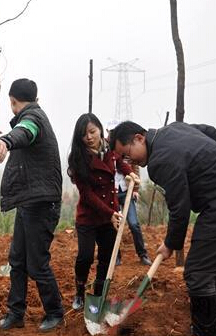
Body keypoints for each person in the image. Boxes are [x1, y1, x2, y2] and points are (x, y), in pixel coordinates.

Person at [108, 121, 216, 336]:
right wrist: (209, 170)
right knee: (209, 267)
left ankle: (206, 331)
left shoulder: (160, 161)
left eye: (128, 154)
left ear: (139, 138)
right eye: (125, 159)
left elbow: (179, 209)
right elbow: (210, 130)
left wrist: (170, 244)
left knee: (197, 272)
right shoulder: (173, 129)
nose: (131, 160)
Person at [0, 78, 64, 332]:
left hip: (42, 204)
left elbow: (26, 131)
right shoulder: (33, 115)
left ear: (13, 101)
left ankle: (55, 312)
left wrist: (6, 141)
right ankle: (16, 313)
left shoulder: (33, 118)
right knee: (17, 260)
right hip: (30, 202)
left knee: (36, 263)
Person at [67, 113, 137, 310]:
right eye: (84, 134)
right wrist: (110, 213)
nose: (89, 137)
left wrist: (128, 171)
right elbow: (87, 195)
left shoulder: (109, 149)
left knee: (106, 258)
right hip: (89, 217)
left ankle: (98, 295)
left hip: (110, 216)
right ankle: (80, 291)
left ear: (99, 129)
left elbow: (118, 161)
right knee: (85, 256)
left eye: (92, 131)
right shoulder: (78, 159)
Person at [107, 120, 152, 266]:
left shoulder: (125, 149)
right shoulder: (106, 150)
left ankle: (142, 254)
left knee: (133, 224)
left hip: (126, 191)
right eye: (110, 132)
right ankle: (116, 256)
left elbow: (135, 167)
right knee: (115, 226)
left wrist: (136, 190)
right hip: (112, 192)